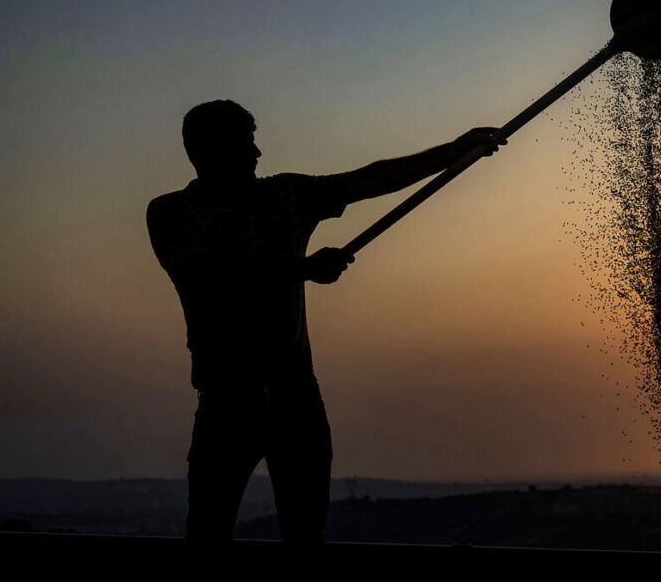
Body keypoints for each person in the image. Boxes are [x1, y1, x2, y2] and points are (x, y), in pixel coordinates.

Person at [146, 99, 501, 545]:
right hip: (228, 399)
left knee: (304, 534)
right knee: (208, 534)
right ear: (208, 152)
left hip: (296, 396)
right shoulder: (171, 212)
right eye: (245, 145)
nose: (257, 155)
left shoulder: (286, 193)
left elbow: (368, 179)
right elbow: (211, 281)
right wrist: (302, 269)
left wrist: (452, 152)